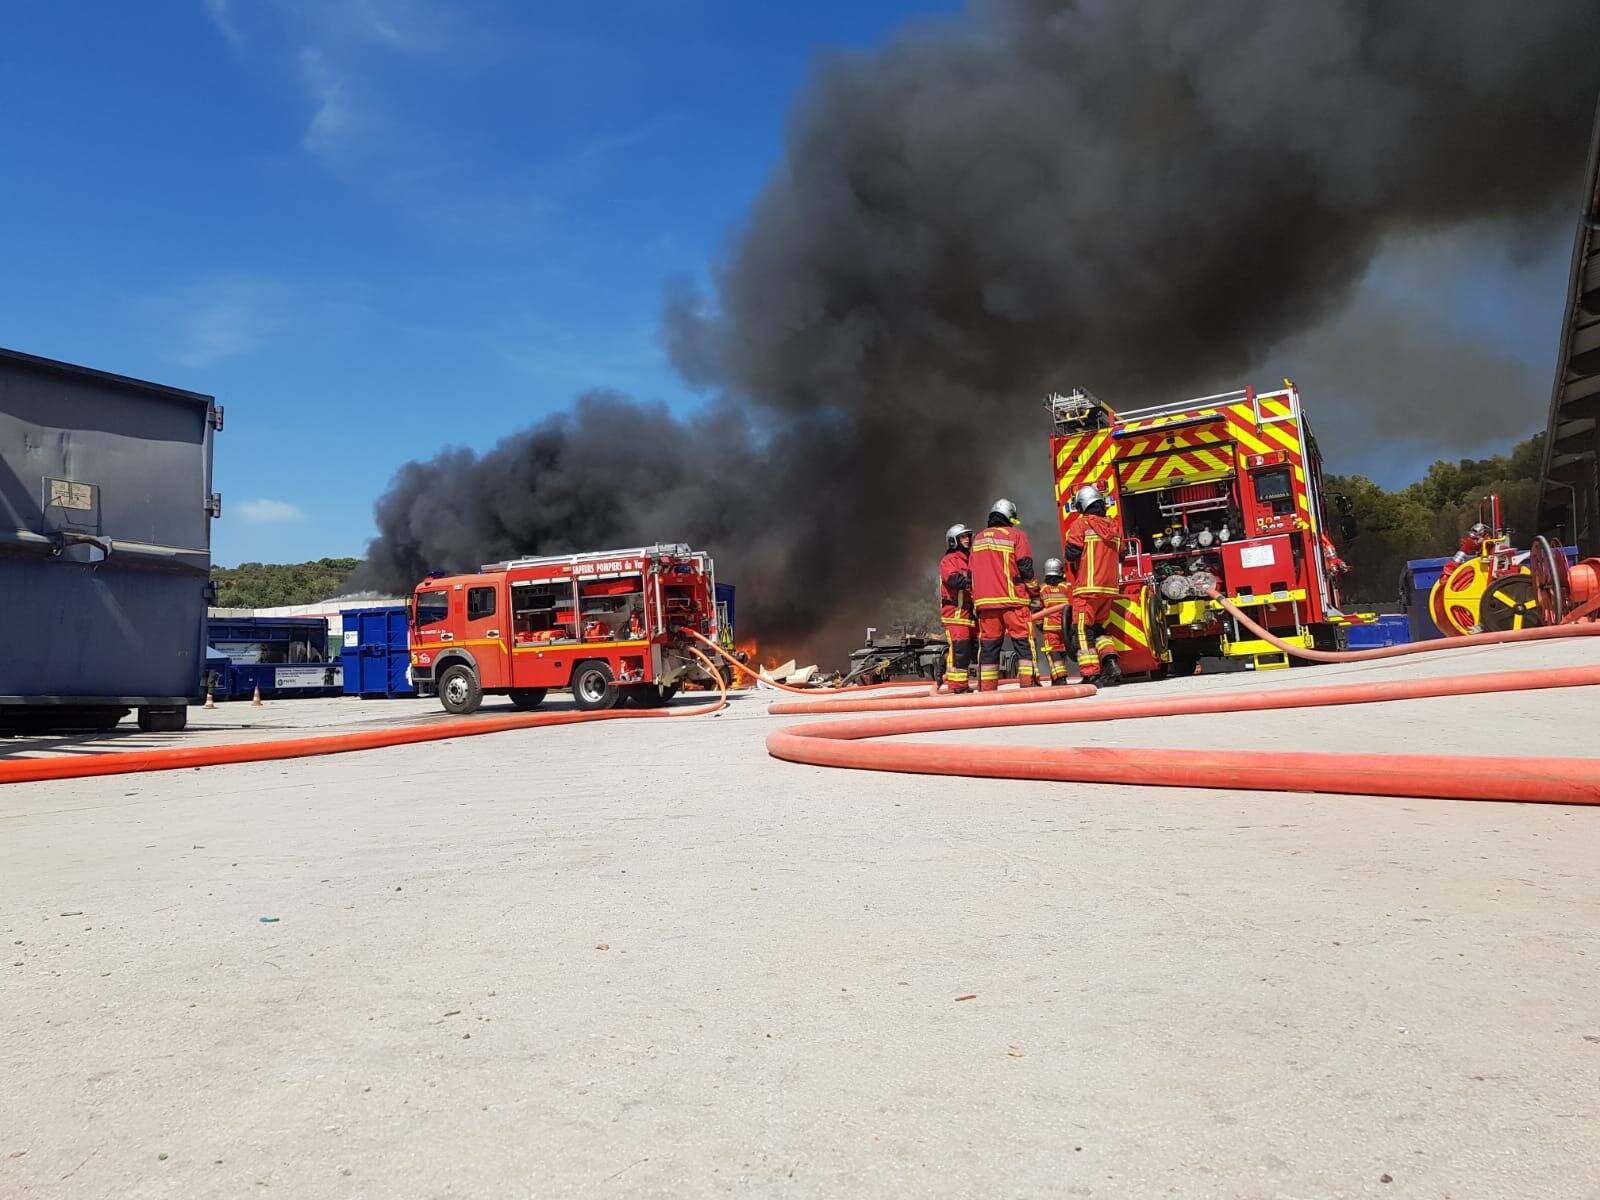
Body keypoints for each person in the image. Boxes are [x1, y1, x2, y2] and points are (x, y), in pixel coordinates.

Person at [969, 498, 1040, 691]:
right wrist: (1034, 593)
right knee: (1023, 642)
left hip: (985, 606)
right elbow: (1026, 567)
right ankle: (1028, 685)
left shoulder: (977, 539)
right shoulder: (1016, 535)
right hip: (1013, 601)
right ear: (1009, 517)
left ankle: (987, 688)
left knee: (989, 649)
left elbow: (971, 573)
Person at [1064, 484, 1122, 685]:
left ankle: (1091, 673)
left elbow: (1071, 553)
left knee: (1080, 630)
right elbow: (1120, 553)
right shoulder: (1114, 527)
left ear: (1082, 505)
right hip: (1108, 590)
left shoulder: (1081, 525)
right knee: (1098, 629)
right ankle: (1111, 663)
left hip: (1087, 588)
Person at [939, 523, 978, 693]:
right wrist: (974, 578)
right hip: (954, 615)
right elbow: (954, 581)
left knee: (971, 649)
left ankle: (962, 684)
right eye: (963, 537)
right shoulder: (949, 560)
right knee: (959, 650)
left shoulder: (970, 560)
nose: (967, 540)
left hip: (968, 614)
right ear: (953, 540)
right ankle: (957, 686)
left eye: (968, 536)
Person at [1038, 557, 1074, 684]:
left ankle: (1059, 678)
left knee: (1053, 652)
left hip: (1049, 628)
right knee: (1063, 651)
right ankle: (1061, 676)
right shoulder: (1067, 587)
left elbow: (1037, 610)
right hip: (1066, 627)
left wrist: (1039, 625)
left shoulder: (1042, 589)